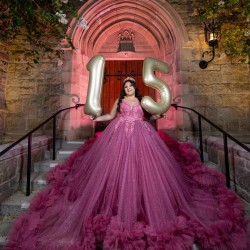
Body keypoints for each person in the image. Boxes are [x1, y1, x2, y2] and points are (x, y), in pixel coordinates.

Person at [6, 77, 248, 250]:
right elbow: (110, 117)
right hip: (118, 137)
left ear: (136, 88)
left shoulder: (143, 102)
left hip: (142, 139)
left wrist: (160, 115)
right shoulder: (118, 102)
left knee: (146, 174)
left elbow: (152, 115)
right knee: (115, 173)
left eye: (131, 85)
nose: (128, 87)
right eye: (126, 86)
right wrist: (94, 117)